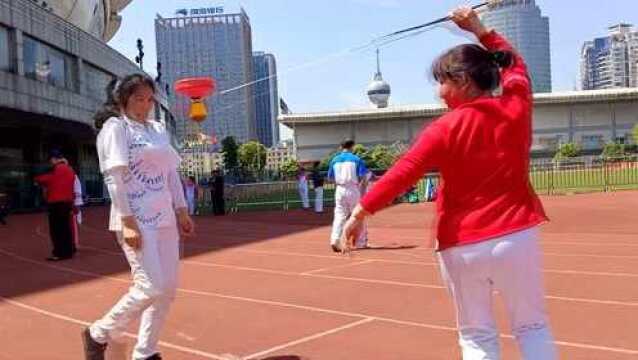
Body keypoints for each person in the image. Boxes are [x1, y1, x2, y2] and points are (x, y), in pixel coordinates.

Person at [343, 7, 557, 360]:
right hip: (516, 235)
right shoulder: (516, 106)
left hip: (461, 244)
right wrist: (479, 29)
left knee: (476, 336)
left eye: (442, 81)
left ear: (464, 81)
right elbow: (517, 66)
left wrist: (361, 212)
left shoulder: (443, 128)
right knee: (532, 327)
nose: (439, 92)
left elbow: (404, 172)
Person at [82, 74, 194, 360]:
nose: (144, 105)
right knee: (150, 286)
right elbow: (114, 179)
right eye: (138, 99)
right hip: (137, 219)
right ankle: (98, 333)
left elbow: (171, 173)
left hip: (165, 218)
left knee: (167, 290)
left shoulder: (157, 129)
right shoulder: (115, 128)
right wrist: (128, 222)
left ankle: (146, 351)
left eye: (148, 99)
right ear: (123, 100)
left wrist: (181, 210)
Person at [34, 149, 76, 261]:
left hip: (55, 202)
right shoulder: (70, 169)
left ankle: (59, 252)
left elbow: (41, 178)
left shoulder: (54, 169)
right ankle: (69, 251)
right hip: (67, 201)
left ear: (53, 159)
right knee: (66, 228)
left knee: (56, 230)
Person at [327, 139, 368, 252]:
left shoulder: (334, 160)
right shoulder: (356, 159)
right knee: (358, 215)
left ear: (341, 147)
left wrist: (339, 183)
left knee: (339, 215)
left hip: (340, 189)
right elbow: (362, 177)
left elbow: (330, 177)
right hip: (353, 188)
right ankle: (360, 241)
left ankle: (335, 239)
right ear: (352, 147)